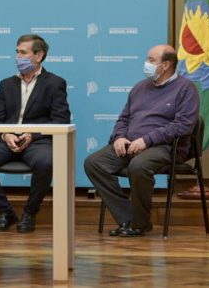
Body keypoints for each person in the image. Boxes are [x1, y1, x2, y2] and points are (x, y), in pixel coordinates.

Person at [84, 44, 199, 237]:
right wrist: (119, 137)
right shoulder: (140, 87)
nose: (146, 64)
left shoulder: (186, 88)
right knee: (94, 163)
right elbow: (124, 119)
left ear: (166, 65)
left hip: (166, 146)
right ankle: (128, 218)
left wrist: (147, 140)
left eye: (152, 60)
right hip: (131, 143)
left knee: (138, 166)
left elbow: (183, 125)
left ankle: (140, 224)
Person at [0, 34, 70, 233]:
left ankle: (30, 212)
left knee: (45, 162)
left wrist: (32, 134)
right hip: (6, 140)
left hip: (38, 140)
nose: (18, 57)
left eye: (23, 53)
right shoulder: (7, 84)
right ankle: (6, 211)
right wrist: (6, 134)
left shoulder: (54, 83)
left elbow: (61, 120)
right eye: (17, 52)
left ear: (38, 56)